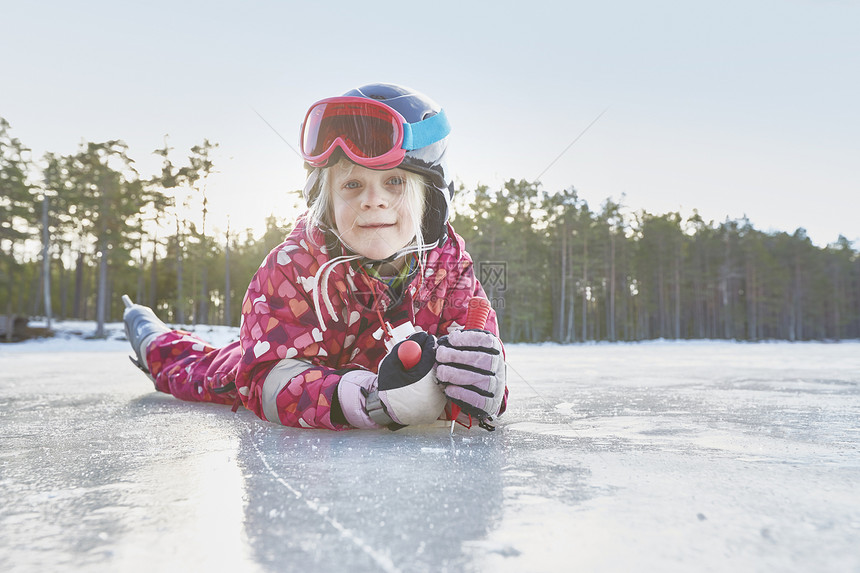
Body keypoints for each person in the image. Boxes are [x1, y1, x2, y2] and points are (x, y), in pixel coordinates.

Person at [123, 83, 507, 431]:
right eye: (352, 184)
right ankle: (154, 340)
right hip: (288, 355)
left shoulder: (451, 266)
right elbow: (267, 378)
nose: (373, 199)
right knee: (210, 370)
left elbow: (478, 344)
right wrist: (368, 399)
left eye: (394, 181)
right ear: (325, 204)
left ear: (430, 202)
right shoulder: (292, 266)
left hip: (377, 372)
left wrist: (483, 379)